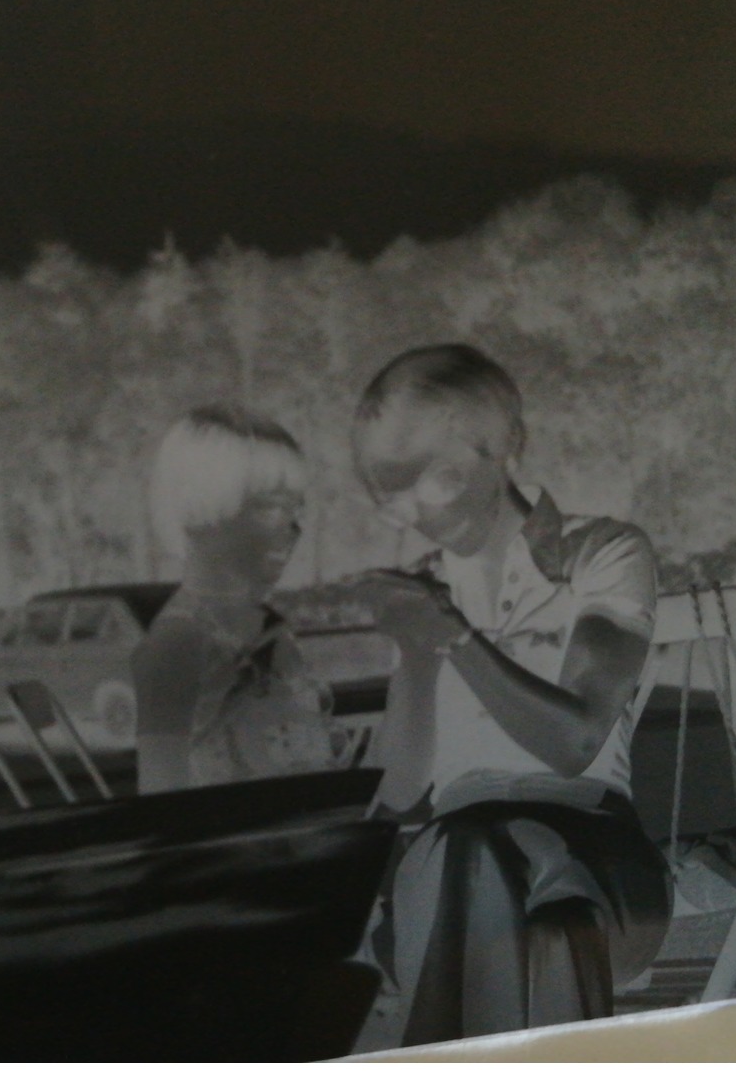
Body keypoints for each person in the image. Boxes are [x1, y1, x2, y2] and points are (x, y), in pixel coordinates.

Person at [348, 343, 671, 1046]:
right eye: (389, 494)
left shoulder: (603, 554)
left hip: (594, 847)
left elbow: (575, 742)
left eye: (437, 477)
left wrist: (456, 639)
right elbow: (405, 786)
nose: (411, 514)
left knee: (485, 860)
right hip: (462, 862)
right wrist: (414, 650)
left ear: (507, 447)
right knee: (512, 891)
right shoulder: (427, 592)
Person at [132, 405, 347, 793]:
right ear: (199, 511)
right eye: (268, 509)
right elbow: (161, 803)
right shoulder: (179, 643)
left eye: (296, 511)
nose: (292, 529)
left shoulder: (269, 629)